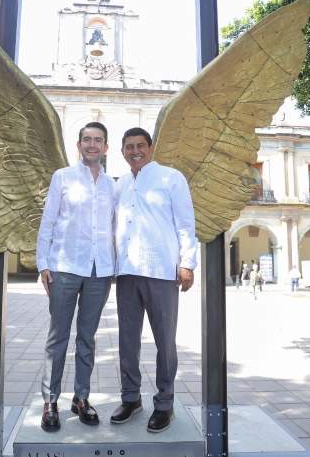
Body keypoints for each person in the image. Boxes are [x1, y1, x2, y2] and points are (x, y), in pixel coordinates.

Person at [111, 127, 197, 434]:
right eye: (129, 146)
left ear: (151, 148)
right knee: (127, 341)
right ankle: (131, 398)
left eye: (140, 145)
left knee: (165, 342)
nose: (135, 151)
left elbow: (186, 224)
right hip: (127, 273)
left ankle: (165, 404)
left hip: (161, 271)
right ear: (122, 152)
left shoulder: (171, 178)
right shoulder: (119, 184)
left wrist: (187, 263)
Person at [36, 122, 115, 433]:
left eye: (98, 140)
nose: (92, 145)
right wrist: (43, 263)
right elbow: (49, 221)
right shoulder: (63, 178)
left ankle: (81, 398)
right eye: (87, 140)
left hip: (100, 270)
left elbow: (116, 227)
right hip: (65, 267)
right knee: (57, 338)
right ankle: (50, 401)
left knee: (87, 338)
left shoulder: (113, 185)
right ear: (79, 144)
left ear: (106, 147)